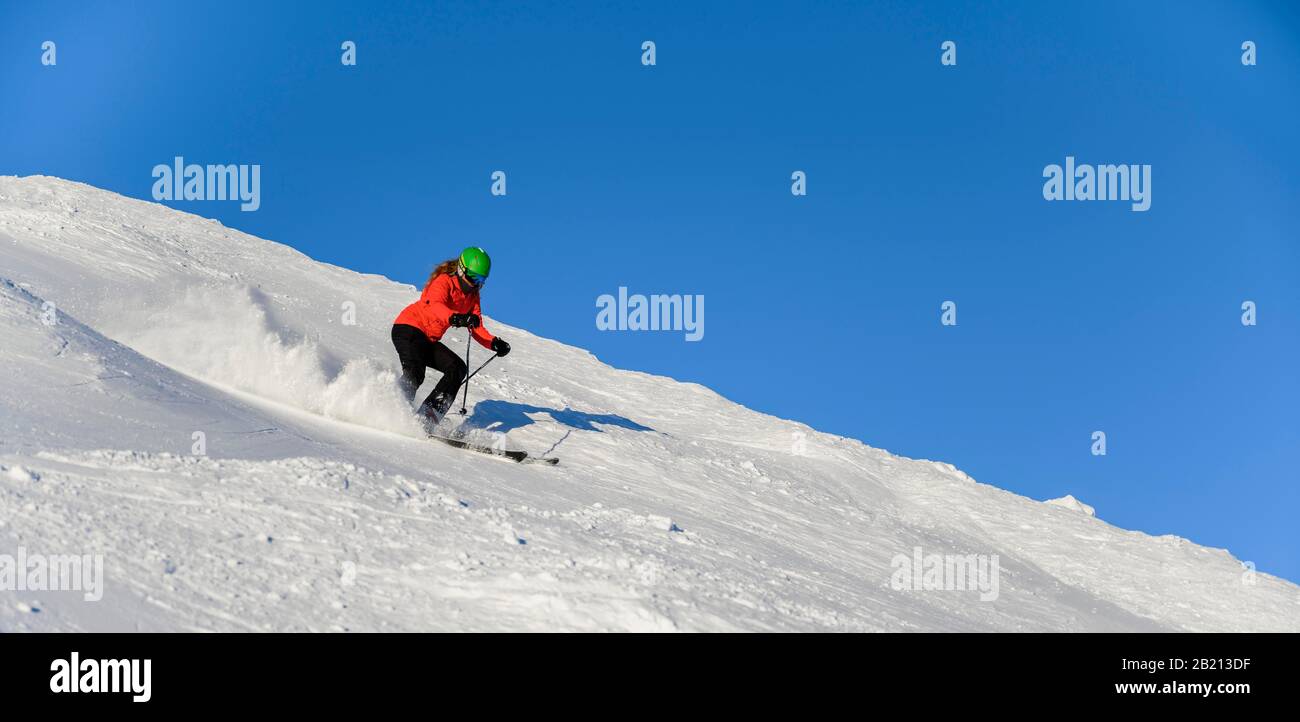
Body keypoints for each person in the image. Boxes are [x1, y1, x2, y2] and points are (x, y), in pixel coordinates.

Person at [391, 246, 511, 429]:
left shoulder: (472, 296)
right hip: (409, 329)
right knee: (415, 372)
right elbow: (435, 306)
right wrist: (455, 317)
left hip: (428, 339)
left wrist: (494, 343)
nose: (475, 284)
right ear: (462, 270)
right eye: (473, 278)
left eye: (481, 280)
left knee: (457, 368)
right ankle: (389, 410)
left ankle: (428, 417)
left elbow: (476, 326)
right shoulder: (443, 282)